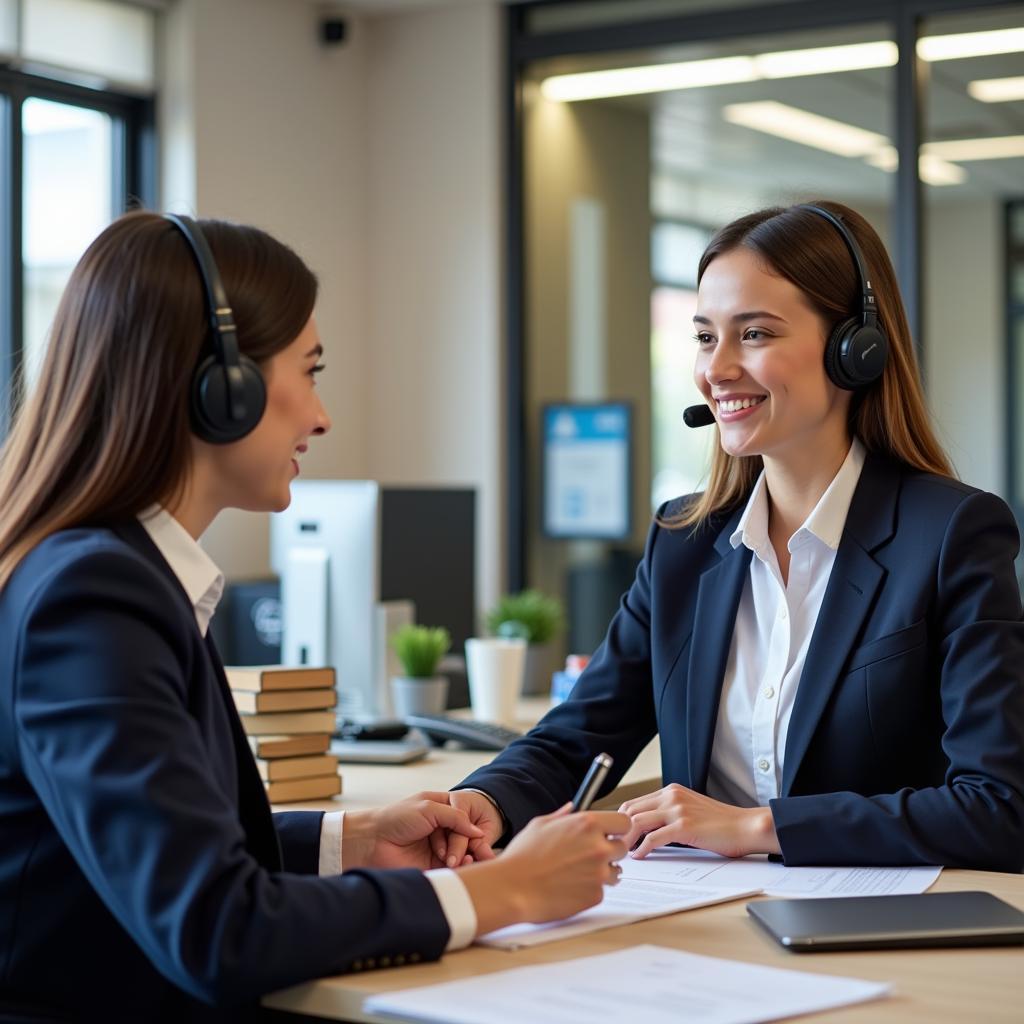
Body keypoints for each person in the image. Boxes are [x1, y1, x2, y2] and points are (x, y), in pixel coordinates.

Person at [0, 211, 629, 1023]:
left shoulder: (114, 575)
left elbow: (163, 851)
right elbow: (217, 929)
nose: (323, 417)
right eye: (311, 370)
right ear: (223, 389)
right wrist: (499, 891)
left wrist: (351, 841)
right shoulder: (93, 599)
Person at [447, 200, 1024, 874]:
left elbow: (1000, 808)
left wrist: (754, 826)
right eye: (703, 336)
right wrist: (482, 800)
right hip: (700, 919)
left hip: (875, 935)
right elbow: (579, 734)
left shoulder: (950, 535)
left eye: (753, 334)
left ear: (855, 350)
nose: (716, 369)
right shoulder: (683, 542)